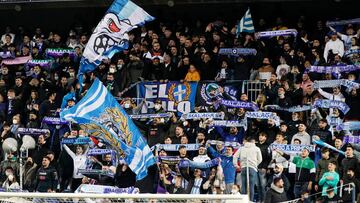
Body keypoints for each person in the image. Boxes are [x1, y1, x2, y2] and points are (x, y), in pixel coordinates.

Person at [233, 137, 262, 202]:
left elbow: (235, 156)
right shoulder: (257, 148)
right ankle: (250, 201)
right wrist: (255, 164)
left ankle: (243, 201)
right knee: (251, 186)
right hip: (252, 168)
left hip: (243, 167)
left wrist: (236, 165)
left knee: (243, 185)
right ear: (252, 142)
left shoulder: (241, 148)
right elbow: (260, 159)